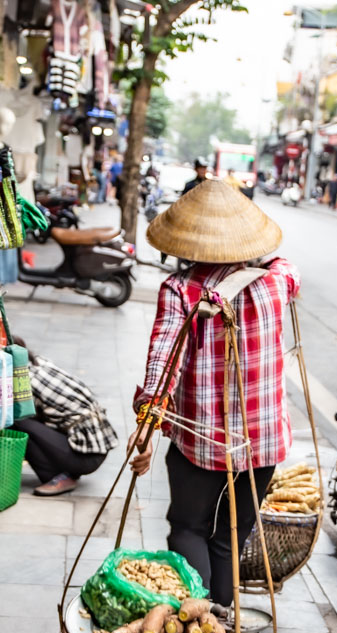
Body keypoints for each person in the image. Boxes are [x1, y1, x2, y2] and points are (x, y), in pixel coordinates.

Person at [130, 180, 299, 606]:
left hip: (203, 444)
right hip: (262, 445)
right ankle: (223, 629)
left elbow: (164, 365)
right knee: (229, 538)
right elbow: (289, 269)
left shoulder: (182, 291)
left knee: (188, 527)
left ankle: (198, 625)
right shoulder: (276, 282)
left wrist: (146, 427)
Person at [9, 338, 118, 496]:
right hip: (95, 446)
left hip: (86, 456)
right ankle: (65, 470)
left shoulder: (24, 382)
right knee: (26, 420)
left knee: (17, 421)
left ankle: (57, 476)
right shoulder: (39, 362)